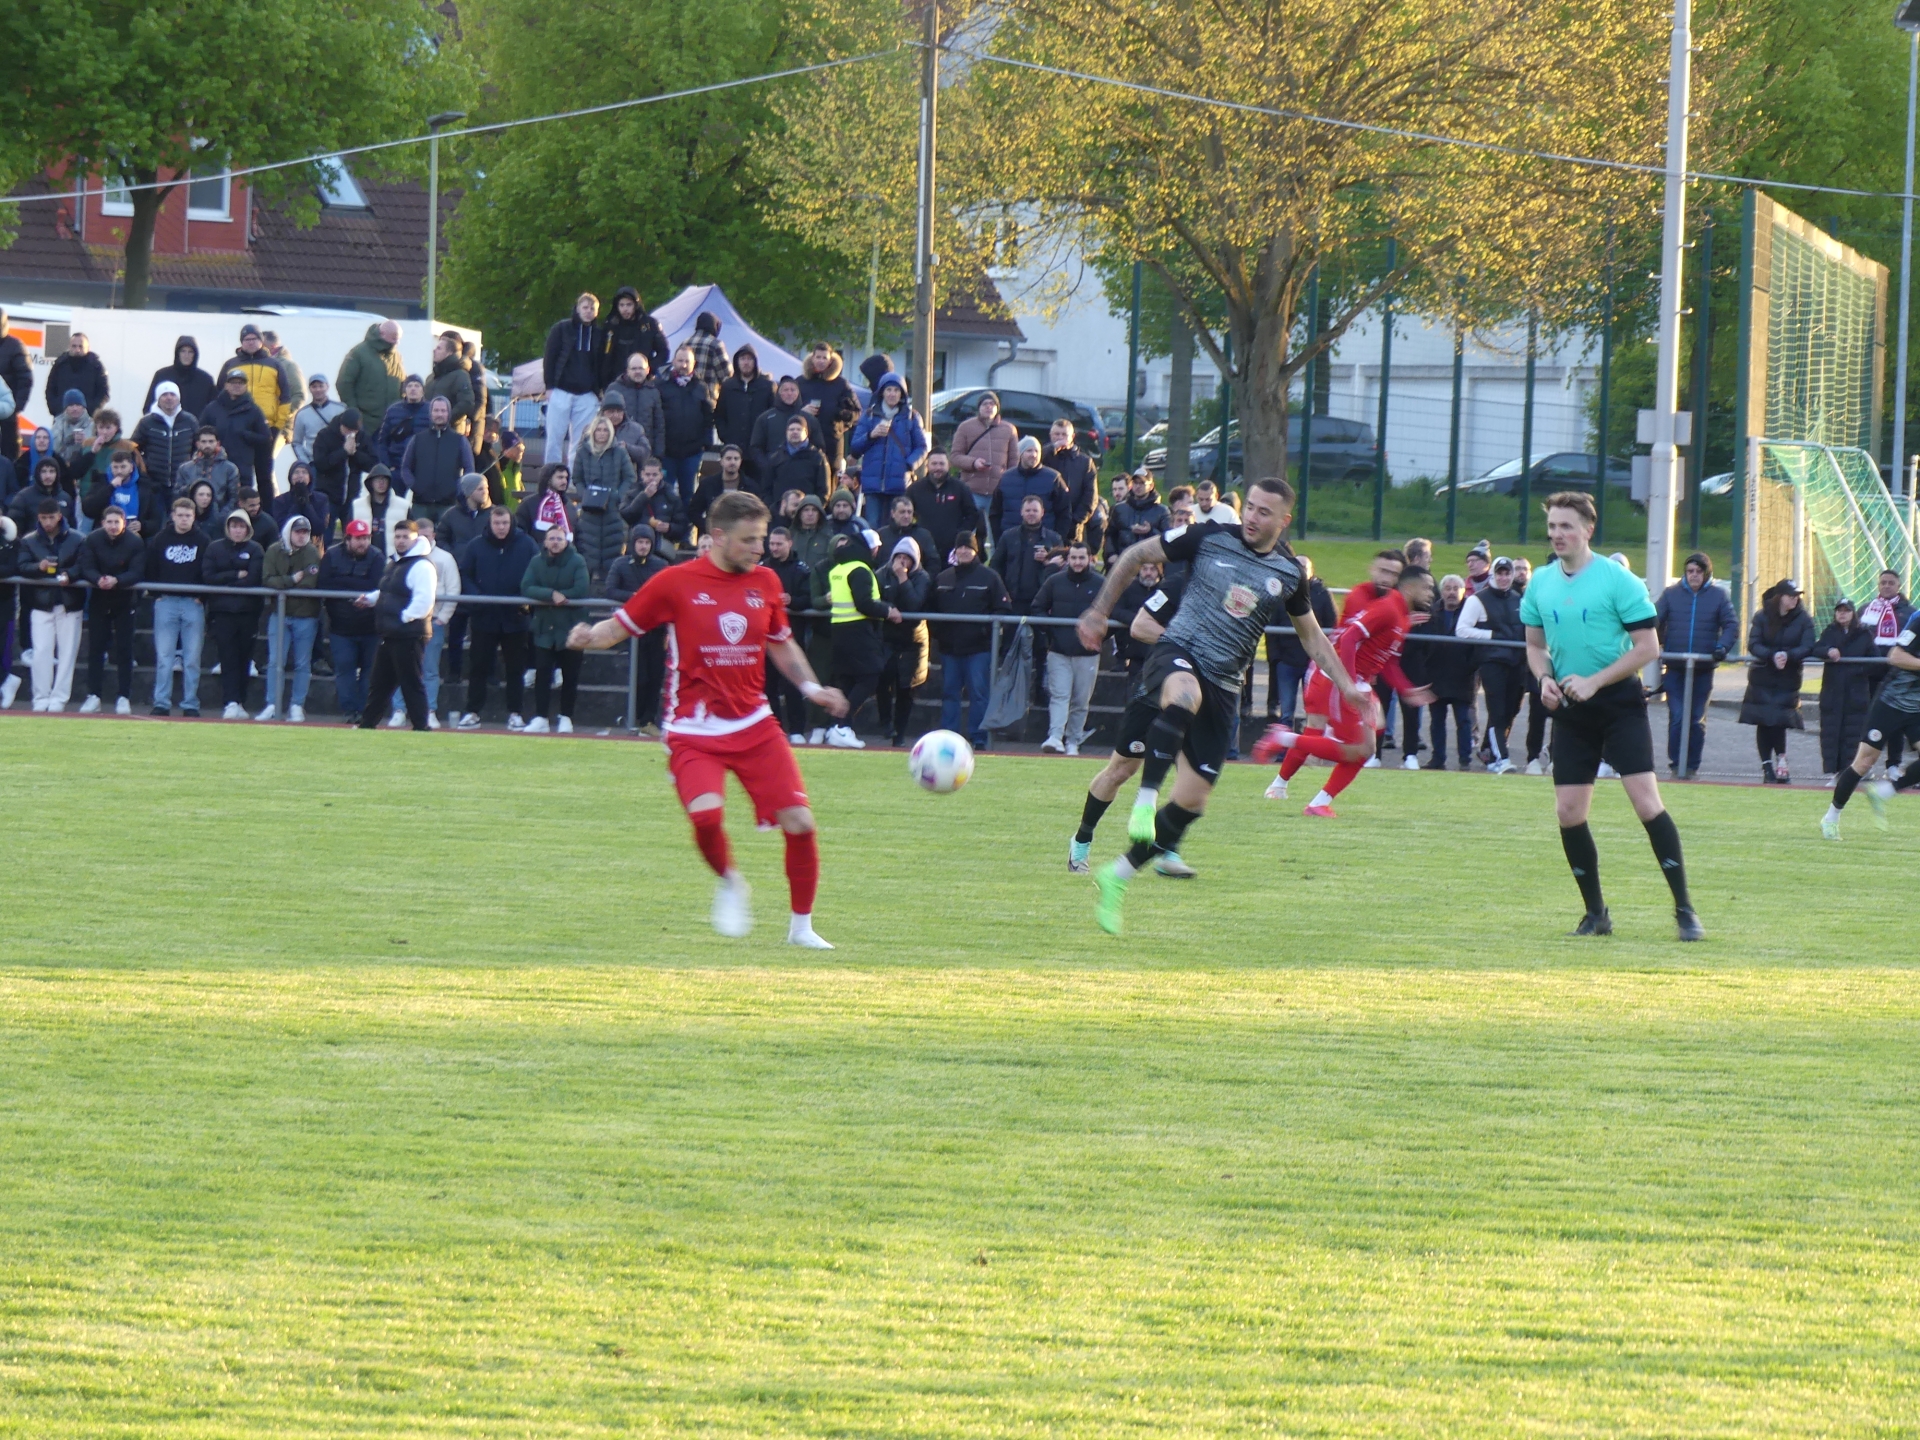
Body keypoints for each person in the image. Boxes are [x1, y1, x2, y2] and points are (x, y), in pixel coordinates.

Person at [567, 490, 850, 948]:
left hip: (755, 725)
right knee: (706, 817)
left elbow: (781, 642)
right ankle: (731, 881)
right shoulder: (674, 582)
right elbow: (618, 626)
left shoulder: (765, 582)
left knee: (800, 821)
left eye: (762, 539)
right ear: (718, 536)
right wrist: (588, 636)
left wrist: (813, 689)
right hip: (693, 729)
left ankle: (801, 928)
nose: (759, 548)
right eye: (749, 540)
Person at [1072, 478, 1356, 934]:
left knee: (1192, 800)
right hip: (1177, 654)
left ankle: (1117, 875)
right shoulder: (1207, 537)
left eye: (1265, 512)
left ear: (1283, 521)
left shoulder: (1288, 573)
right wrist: (1100, 611)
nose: (1253, 517)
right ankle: (1142, 802)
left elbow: (1313, 638)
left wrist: (1348, 686)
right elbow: (1135, 554)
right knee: (1181, 698)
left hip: (1225, 685)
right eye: (1251, 507)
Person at [1519, 492, 1701, 940]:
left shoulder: (1619, 580)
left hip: (1619, 705)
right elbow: (1535, 646)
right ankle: (1596, 914)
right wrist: (1544, 679)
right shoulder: (1540, 582)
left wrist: (1595, 681)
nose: (1557, 533)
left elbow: (1648, 648)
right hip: (1570, 707)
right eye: (1552, 526)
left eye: (1566, 525)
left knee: (1646, 803)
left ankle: (1685, 910)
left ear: (1588, 529)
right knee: (1568, 812)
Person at [1258, 567, 1438, 814]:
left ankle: (1306, 796)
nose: (1431, 593)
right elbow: (1349, 638)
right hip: (1340, 679)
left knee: (1364, 746)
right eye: (1426, 587)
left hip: (1356, 681)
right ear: (1409, 587)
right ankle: (1286, 746)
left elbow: (1388, 662)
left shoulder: (1402, 616)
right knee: (1357, 749)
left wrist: (1406, 690)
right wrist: (1349, 684)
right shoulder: (1388, 609)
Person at [1820, 598, 1920, 836]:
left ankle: (1884, 791)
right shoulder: (1918, 621)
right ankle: (1831, 817)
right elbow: (1896, 656)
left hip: (1917, 707)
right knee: (1864, 762)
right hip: (1890, 702)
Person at [1654, 551, 1736, 778]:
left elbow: (1731, 625)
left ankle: (1691, 766)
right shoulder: (1671, 594)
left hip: (1703, 669)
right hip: (1676, 668)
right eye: (1690, 571)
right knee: (1678, 716)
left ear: (1706, 573)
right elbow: (1654, 620)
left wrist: (1721, 647)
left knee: (1697, 719)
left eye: (1699, 571)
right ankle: (1676, 765)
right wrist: (1656, 643)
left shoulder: (1719, 596)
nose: (1694, 575)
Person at [456, 506, 537, 729]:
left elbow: (536, 573)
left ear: (511, 523)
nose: (501, 528)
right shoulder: (476, 545)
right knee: (478, 666)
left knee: (515, 668)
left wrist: (524, 599)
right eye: (497, 523)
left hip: (515, 617)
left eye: (505, 523)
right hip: (484, 617)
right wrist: (477, 598)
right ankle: (473, 711)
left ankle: (515, 713)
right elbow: (465, 574)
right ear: (490, 524)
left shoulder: (527, 544)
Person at [350, 518, 435, 731]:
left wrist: (403, 618)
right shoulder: (396, 563)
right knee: (380, 683)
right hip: (392, 633)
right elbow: (388, 592)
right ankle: (367, 724)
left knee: (411, 682)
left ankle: (421, 726)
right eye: (397, 536)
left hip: (409, 633)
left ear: (416, 539)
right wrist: (371, 599)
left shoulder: (422, 566)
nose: (401, 541)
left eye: (406, 537)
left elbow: (424, 601)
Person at [931, 529, 1009, 748]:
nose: (964, 551)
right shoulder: (943, 577)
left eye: (968, 547)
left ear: (976, 551)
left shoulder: (990, 577)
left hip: (979, 649)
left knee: (979, 694)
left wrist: (985, 632)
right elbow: (931, 608)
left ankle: (979, 738)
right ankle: (949, 736)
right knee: (950, 693)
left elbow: (1003, 608)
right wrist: (940, 633)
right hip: (949, 648)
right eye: (961, 547)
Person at [1739, 578, 1815, 784]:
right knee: (1763, 721)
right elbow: (1754, 643)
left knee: (1780, 721)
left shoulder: (1804, 619)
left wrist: (1788, 656)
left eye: (1797, 596)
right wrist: (1771, 655)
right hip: (1763, 676)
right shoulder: (1762, 616)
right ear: (1780, 597)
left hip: (1788, 677)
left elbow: (1808, 645)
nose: (1795, 599)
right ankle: (1767, 766)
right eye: (1791, 595)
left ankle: (1781, 760)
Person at [1031, 539, 1103, 754]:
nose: (1077, 562)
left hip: (1088, 654)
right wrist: (1051, 631)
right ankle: (1055, 736)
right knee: (1059, 695)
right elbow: (1037, 608)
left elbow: (1112, 612)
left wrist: (1099, 636)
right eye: (1073, 558)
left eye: (1081, 558)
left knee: (1081, 701)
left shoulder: (1101, 584)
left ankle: (1073, 740)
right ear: (1067, 559)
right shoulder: (1054, 581)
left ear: (1090, 559)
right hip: (1058, 651)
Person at [1455, 555, 1525, 773]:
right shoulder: (1477, 600)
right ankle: (1500, 758)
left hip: (1517, 662)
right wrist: (1491, 635)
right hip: (1492, 662)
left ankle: (1489, 750)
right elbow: (1462, 630)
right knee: (1497, 710)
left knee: (1511, 709)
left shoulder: (1518, 599)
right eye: (1500, 573)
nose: (1503, 578)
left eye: (1507, 573)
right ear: (1493, 574)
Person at [518, 522, 590, 733]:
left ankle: (566, 717)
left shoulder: (577, 561)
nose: (555, 542)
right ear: (545, 541)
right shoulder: (536, 561)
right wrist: (551, 595)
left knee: (570, 675)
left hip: (571, 629)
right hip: (544, 629)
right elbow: (526, 587)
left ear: (566, 541)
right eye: (552, 538)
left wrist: (563, 597)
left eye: (559, 538)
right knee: (542, 674)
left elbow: (581, 588)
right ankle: (541, 717)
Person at [390, 517, 460, 728]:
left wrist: (442, 618)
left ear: (433, 535)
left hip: (431, 623)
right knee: (401, 667)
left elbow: (453, 589)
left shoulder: (445, 558)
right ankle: (400, 710)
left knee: (429, 669)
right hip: (403, 623)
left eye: (426, 536)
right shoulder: (400, 559)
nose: (423, 540)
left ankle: (429, 710)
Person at [821, 531, 889, 747]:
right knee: (870, 676)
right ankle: (842, 726)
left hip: (839, 629)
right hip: (858, 629)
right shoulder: (860, 569)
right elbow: (864, 603)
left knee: (848, 681)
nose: (877, 551)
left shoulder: (839, 568)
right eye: (875, 547)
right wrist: (888, 611)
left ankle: (837, 726)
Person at [15, 498, 84, 711]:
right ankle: (41, 697)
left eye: (51, 517)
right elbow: (22, 566)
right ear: (38, 517)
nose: (47, 522)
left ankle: (59, 698)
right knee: (41, 652)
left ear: (59, 516)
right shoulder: (29, 540)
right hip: (40, 603)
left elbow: (83, 565)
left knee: (67, 654)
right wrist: (40, 567)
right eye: (44, 518)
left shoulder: (78, 539)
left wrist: (69, 575)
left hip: (69, 603)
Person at [75, 503, 144, 714]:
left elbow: (137, 571)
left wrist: (117, 580)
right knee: (96, 649)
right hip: (99, 598)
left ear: (124, 523)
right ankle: (94, 695)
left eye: (117, 522)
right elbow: (86, 566)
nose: (113, 526)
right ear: (103, 523)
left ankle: (124, 696)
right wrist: (98, 579)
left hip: (125, 600)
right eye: (109, 522)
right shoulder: (93, 539)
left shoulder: (135, 542)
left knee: (125, 650)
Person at [145, 496, 210, 716]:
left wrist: (202, 597)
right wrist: (156, 594)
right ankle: (161, 703)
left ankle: (190, 704)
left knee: (192, 659)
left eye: (188, 516)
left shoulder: (203, 540)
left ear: (194, 517)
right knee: (164, 657)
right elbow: (150, 567)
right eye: (180, 515)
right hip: (167, 601)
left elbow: (208, 570)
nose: (183, 519)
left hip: (193, 603)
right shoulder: (160, 539)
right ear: (173, 516)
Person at [318, 519, 385, 724]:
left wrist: (342, 583)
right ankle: (349, 711)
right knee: (344, 670)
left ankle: (365, 712)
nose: (362, 542)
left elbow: (375, 585)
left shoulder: (377, 556)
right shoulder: (332, 555)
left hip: (370, 626)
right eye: (358, 538)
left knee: (369, 672)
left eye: (365, 538)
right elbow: (324, 584)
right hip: (341, 626)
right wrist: (358, 586)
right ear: (347, 539)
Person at [258, 514, 323, 723]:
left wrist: (283, 583)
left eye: (305, 532)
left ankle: (297, 705)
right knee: (275, 661)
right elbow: (267, 580)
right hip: (279, 613)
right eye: (298, 532)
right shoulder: (274, 550)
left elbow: (310, 583)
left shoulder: (311, 552)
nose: (302, 536)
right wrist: (293, 579)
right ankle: (272, 704)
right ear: (289, 532)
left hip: (305, 615)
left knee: (302, 663)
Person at [215, 325, 294, 495]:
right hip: (238, 428)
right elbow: (220, 396)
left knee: (265, 476)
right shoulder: (231, 364)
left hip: (266, 429)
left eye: (254, 339)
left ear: (261, 341)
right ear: (241, 342)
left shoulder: (274, 364)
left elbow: (285, 397)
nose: (250, 342)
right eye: (246, 339)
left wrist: (278, 426)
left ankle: (267, 509)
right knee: (239, 475)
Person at [201, 509, 265, 718]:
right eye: (234, 526)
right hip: (222, 612)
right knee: (227, 658)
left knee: (244, 658)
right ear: (227, 528)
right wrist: (236, 574)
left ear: (248, 529)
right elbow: (209, 577)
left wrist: (225, 581)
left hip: (248, 612)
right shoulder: (215, 548)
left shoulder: (255, 549)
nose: (237, 530)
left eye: (241, 526)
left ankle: (240, 702)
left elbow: (253, 578)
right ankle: (230, 701)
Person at [847, 372, 928, 529]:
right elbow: (855, 447)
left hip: (899, 483)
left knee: (896, 527)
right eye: (889, 390)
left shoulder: (911, 417)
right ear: (882, 392)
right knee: (872, 527)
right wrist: (871, 435)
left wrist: (909, 465)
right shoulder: (869, 415)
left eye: (896, 390)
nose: (892, 394)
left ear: (902, 394)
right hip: (873, 484)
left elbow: (922, 447)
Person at [1263, 552, 1333, 730]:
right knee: (1286, 712)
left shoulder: (1322, 594)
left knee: (1314, 711)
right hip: (1286, 662)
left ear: (1312, 571)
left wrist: (1323, 661)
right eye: (1297, 567)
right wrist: (1275, 658)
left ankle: (1312, 743)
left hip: (1313, 663)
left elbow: (1332, 626)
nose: (1301, 570)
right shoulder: (1281, 594)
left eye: (1304, 567)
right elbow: (1271, 629)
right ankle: (1284, 744)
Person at [543, 293, 609, 479]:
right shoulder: (561, 329)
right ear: (578, 308)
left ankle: (574, 479)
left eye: (592, 308)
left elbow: (602, 363)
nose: (588, 311)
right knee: (554, 438)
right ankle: (551, 478)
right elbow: (550, 357)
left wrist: (599, 390)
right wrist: (549, 386)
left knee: (581, 441)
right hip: (561, 391)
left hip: (587, 394)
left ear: (597, 312)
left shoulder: (600, 334)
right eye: (585, 307)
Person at [1419, 574, 1480, 770]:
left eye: (1456, 588)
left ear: (1463, 591)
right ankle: (1438, 759)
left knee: (1463, 720)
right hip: (1436, 675)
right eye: (1448, 588)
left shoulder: (1470, 613)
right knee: (1437, 720)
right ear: (1442, 591)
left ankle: (1465, 760)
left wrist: (1470, 665)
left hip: (1463, 676)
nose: (1452, 592)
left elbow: (1477, 645)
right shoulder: (1432, 613)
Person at [1859, 568, 1916, 773]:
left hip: (1898, 674)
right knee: (1870, 720)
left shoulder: (1909, 612)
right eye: (1883, 582)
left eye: (1891, 583)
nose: (1886, 586)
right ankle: (1863, 765)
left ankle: (1893, 764)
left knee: (1896, 721)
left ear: (1898, 586)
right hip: (1871, 673)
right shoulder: (1866, 610)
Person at [875, 536, 932, 746]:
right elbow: (874, 599)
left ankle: (899, 735)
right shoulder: (881, 574)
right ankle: (886, 724)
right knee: (882, 681)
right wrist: (888, 609)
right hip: (887, 637)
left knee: (906, 689)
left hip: (912, 640)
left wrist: (903, 578)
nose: (902, 562)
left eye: (906, 558)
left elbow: (914, 604)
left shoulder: (922, 577)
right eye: (899, 557)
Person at [571, 411, 637, 581]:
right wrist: (585, 495)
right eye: (598, 430)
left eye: (605, 430)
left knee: (612, 548)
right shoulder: (583, 452)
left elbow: (630, 477)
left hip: (613, 510)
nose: (602, 433)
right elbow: (577, 478)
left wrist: (617, 496)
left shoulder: (620, 452)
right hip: (589, 510)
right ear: (593, 432)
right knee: (588, 548)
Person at [1817, 599, 1877, 780]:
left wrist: (1856, 670)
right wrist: (1828, 651)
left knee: (1853, 733)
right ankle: (1835, 770)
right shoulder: (1829, 632)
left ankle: (1852, 770)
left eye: (1846, 610)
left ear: (1853, 613)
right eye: (1839, 610)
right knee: (1831, 732)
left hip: (1855, 693)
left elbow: (1875, 661)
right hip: (1832, 692)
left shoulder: (1864, 634)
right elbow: (1816, 648)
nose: (1842, 614)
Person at [657, 345, 716, 502]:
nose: (683, 365)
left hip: (692, 452)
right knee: (665, 493)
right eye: (680, 360)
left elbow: (708, 416)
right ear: (673, 362)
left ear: (694, 363)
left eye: (687, 361)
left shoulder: (701, 387)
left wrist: (706, 442)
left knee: (689, 495)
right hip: (667, 452)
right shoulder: (661, 386)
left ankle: (686, 520)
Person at [399, 395, 474, 517]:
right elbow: (405, 468)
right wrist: (415, 486)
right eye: (436, 410)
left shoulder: (459, 440)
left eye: (443, 411)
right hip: (420, 504)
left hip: (449, 505)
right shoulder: (418, 439)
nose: (439, 414)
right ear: (431, 413)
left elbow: (469, 469)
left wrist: (457, 489)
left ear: (448, 413)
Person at [199, 370, 271, 493]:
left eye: (240, 383)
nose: (236, 386)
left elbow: (265, 438)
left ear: (246, 386)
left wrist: (246, 435)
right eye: (233, 382)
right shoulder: (212, 408)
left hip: (243, 469)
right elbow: (200, 433)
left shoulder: (254, 410)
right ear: (226, 385)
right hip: (214, 468)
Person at [797, 342, 861, 477]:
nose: (821, 361)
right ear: (812, 358)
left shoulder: (841, 384)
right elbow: (786, 410)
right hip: (804, 442)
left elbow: (857, 413)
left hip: (832, 443)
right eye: (818, 357)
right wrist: (801, 411)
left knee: (830, 482)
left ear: (830, 360)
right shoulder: (800, 382)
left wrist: (842, 414)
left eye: (824, 358)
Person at [906, 452, 982, 565]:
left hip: (952, 551)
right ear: (927, 465)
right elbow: (905, 514)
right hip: (923, 550)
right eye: (934, 464)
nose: (938, 468)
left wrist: (959, 535)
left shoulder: (960, 488)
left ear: (948, 465)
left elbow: (972, 515)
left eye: (941, 464)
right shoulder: (914, 489)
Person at [990, 437, 1070, 540]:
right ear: (1020, 453)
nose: (1033, 455)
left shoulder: (1053, 478)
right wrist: (1000, 540)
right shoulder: (1006, 478)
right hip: (1011, 540)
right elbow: (995, 512)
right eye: (1029, 451)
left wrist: (1056, 539)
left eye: (1037, 451)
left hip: (1044, 541)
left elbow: (1064, 512)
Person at [748, 374, 823, 482]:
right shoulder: (765, 418)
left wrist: (809, 466)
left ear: (798, 393)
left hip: (804, 475)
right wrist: (767, 466)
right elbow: (756, 447)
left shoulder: (809, 419)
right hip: (774, 475)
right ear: (779, 393)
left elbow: (819, 447)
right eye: (785, 390)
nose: (789, 393)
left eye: (793, 390)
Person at [81, 446, 164, 541]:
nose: (119, 471)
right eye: (115, 467)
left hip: (136, 538)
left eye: (123, 467)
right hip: (106, 538)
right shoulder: (101, 483)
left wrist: (142, 526)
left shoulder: (145, 486)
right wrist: (110, 487)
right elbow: (88, 510)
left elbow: (156, 520)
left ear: (131, 468)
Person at [951, 392, 1019, 504]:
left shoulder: (1009, 429)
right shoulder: (965, 427)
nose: (988, 407)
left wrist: (1009, 483)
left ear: (997, 408)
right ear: (979, 408)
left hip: (998, 491)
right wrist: (973, 463)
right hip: (972, 490)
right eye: (985, 404)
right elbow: (955, 456)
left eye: (992, 404)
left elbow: (1014, 461)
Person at [133, 381, 198, 498]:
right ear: (158, 399)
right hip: (155, 485)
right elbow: (133, 448)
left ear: (178, 398)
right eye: (164, 395)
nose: (169, 398)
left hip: (183, 484)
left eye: (172, 394)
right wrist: (144, 468)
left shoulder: (190, 421)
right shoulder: (147, 422)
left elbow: (198, 447)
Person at [336, 320, 406, 422]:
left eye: (398, 340)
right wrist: (354, 412)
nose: (396, 343)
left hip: (392, 421)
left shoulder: (397, 356)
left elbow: (403, 383)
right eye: (393, 339)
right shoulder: (358, 353)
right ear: (382, 334)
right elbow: (344, 383)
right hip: (367, 421)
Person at [1042, 418, 1098, 543]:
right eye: (1056, 434)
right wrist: (1051, 449)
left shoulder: (1085, 462)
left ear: (1072, 437)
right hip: (1047, 521)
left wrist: (1077, 520)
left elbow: (1090, 496)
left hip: (1073, 525)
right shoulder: (1044, 458)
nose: (1060, 438)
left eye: (1064, 435)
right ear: (1050, 435)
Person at [311, 409, 372, 522]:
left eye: (354, 431)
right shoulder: (324, 435)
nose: (351, 434)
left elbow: (372, 464)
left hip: (352, 496)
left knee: (351, 530)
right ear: (341, 425)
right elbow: (320, 464)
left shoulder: (362, 436)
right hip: (328, 495)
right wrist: (343, 452)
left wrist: (355, 453)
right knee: (326, 530)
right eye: (347, 430)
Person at [618, 457, 685, 558]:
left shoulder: (671, 495)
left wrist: (669, 528)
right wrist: (644, 496)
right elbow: (626, 515)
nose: (651, 478)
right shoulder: (633, 492)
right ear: (642, 474)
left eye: (654, 475)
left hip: (661, 550)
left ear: (661, 475)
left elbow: (682, 525)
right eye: (648, 475)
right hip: (636, 548)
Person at [603, 353, 665, 462]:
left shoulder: (653, 392)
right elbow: (602, 419)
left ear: (647, 370)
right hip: (617, 451)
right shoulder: (614, 389)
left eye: (641, 368)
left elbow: (659, 425)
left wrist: (658, 454)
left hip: (644, 452)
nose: (637, 372)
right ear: (627, 370)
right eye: (634, 368)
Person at [601, 286, 670, 383]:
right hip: (617, 381)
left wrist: (649, 369)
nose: (625, 309)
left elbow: (664, 352)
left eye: (629, 305)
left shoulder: (649, 325)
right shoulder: (610, 326)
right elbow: (604, 357)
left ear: (636, 305)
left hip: (644, 381)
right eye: (621, 305)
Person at [762, 415, 832, 508]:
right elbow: (766, 489)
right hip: (780, 512)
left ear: (806, 432)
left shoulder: (818, 457)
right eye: (791, 429)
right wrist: (774, 509)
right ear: (786, 432)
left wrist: (813, 510)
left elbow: (824, 491)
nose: (795, 432)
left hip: (807, 512)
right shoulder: (775, 457)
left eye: (799, 429)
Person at [716, 345, 773, 457]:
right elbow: (720, 415)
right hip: (733, 448)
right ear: (737, 362)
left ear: (755, 362)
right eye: (742, 359)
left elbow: (772, 415)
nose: (746, 363)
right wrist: (725, 436)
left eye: (749, 359)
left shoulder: (767, 386)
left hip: (759, 449)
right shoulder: (728, 386)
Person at [688, 444, 751, 536]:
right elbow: (693, 511)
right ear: (721, 461)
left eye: (736, 459)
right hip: (713, 536)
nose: (732, 462)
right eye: (728, 459)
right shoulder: (708, 484)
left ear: (741, 461)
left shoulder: (750, 486)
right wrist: (708, 528)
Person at [424, 331, 480, 436]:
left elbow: (466, 403)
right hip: (430, 432)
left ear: (449, 353)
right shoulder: (431, 377)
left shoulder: (460, 375)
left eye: (439, 348)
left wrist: (445, 419)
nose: (434, 350)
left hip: (451, 433)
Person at [0, 308, 36, 467]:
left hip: (7, 413)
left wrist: (15, 408)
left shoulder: (15, 346)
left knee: (8, 458)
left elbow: (25, 379)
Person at [1109, 471, 1168, 562]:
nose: (1138, 486)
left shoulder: (1162, 511)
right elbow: (1110, 535)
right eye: (1135, 483)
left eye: (1142, 483)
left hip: (1150, 562)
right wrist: (1111, 554)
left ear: (1151, 486)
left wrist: (1150, 531)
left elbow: (1167, 538)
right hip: (1123, 561)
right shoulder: (1119, 509)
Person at [352, 464, 409, 558]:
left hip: (394, 559)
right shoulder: (357, 506)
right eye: (377, 479)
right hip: (365, 559)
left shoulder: (403, 506)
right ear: (371, 482)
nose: (381, 483)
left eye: (384, 479)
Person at [44, 332, 108, 414]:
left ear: (88, 348)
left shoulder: (96, 366)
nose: (77, 350)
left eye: (81, 346)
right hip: (62, 416)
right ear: (69, 347)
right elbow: (50, 390)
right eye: (74, 346)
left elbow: (103, 393)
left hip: (88, 418)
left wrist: (92, 411)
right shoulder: (60, 365)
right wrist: (56, 409)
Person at [376, 376, 431, 469]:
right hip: (397, 465)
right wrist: (387, 466)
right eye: (409, 386)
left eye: (417, 386)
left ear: (423, 391)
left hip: (424, 466)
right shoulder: (393, 411)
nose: (413, 389)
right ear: (405, 390)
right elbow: (383, 441)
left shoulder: (432, 410)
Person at [290, 373, 344, 465]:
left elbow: (350, 435)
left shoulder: (340, 409)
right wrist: (306, 463)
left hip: (337, 462)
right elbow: (296, 443)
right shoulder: (302, 414)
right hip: (314, 463)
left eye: (321, 386)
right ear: (309, 389)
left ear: (327, 387)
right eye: (314, 387)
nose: (318, 389)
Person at [273, 460, 333, 542]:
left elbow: (319, 528)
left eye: (304, 472)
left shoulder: (321, 499)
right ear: (290, 477)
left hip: (313, 542)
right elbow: (283, 526)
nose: (300, 475)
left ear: (310, 477)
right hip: (287, 541)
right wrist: (297, 502)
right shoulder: (280, 500)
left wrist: (306, 503)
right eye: (296, 472)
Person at [686, 311, 730, 396]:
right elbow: (726, 374)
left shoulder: (685, 343)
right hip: (708, 396)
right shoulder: (716, 344)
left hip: (686, 397)